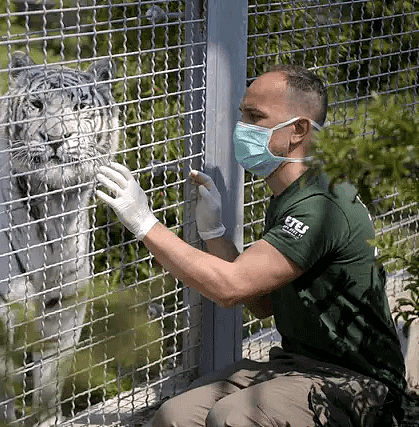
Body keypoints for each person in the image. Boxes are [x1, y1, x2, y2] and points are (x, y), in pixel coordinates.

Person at [96, 64, 407, 426]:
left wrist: (143, 222)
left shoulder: (321, 204)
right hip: (298, 366)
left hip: (359, 383)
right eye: (242, 113)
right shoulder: (289, 196)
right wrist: (216, 235)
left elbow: (231, 287)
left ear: (298, 131)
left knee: (233, 418)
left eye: (254, 116)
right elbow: (261, 303)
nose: (240, 127)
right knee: (175, 416)